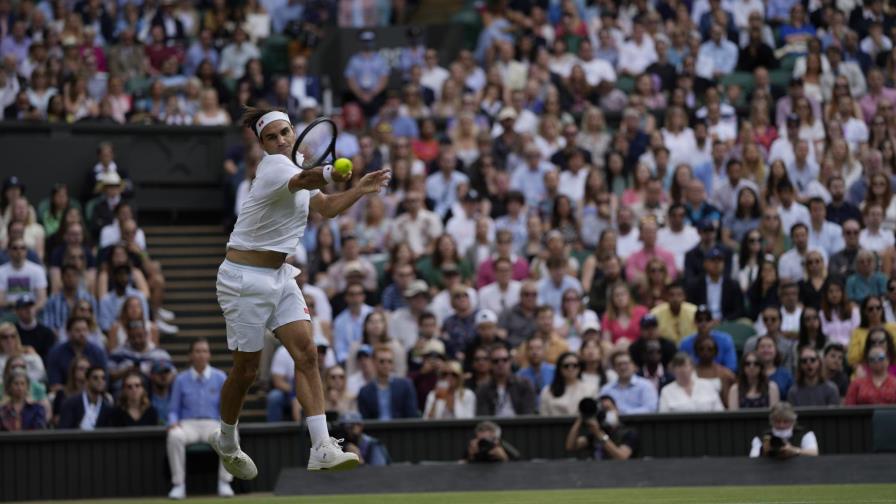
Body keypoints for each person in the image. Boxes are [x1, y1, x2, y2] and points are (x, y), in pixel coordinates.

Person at [211, 107, 390, 477]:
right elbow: (306, 181)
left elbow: (326, 207)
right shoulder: (275, 167)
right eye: (271, 137)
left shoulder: (293, 167)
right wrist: (330, 171)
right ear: (262, 144)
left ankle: (322, 446)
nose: (280, 141)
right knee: (246, 372)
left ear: (294, 133)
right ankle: (226, 439)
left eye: (285, 133)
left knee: (308, 354)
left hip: (279, 276)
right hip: (242, 279)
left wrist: (358, 189)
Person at [166, 339, 232, 499]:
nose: (201, 354)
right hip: (188, 425)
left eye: (204, 351)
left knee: (231, 434)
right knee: (174, 436)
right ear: (190, 355)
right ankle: (178, 484)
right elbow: (173, 409)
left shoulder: (220, 376)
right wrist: (172, 422)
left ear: (209, 355)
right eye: (197, 351)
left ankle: (225, 482)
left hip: (213, 424)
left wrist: (228, 423)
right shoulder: (180, 379)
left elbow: (227, 407)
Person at [565, 396, 637, 460]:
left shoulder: (628, 433)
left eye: (607, 409)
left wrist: (599, 434)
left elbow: (622, 457)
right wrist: (580, 419)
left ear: (617, 409)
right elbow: (571, 446)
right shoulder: (595, 434)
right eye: (602, 410)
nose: (604, 413)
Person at [46, 316, 107, 392]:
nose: (82, 334)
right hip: (64, 396)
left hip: (93, 393)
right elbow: (54, 384)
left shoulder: (97, 352)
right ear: (68, 332)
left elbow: (105, 380)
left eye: (85, 330)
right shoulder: (56, 353)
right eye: (77, 330)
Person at [357, 346, 419, 420]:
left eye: (390, 361)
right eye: (382, 361)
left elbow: (412, 416)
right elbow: (365, 420)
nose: (386, 365)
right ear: (373, 362)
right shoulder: (365, 391)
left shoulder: (405, 386)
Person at [475, 343, 536, 417]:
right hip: (493, 427)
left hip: (520, 427)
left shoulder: (524, 385)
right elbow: (483, 417)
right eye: (496, 361)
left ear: (510, 361)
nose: (500, 364)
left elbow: (528, 415)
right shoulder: (483, 389)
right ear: (490, 364)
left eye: (505, 360)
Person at [658, 353, 725, 413]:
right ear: (673, 370)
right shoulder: (666, 391)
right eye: (678, 366)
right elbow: (663, 416)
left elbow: (719, 411)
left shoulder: (708, 385)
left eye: (685, 366)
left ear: (692, 367)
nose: (682, 370)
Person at [679, 305, 738, 372]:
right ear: (695, 322)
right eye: (700, 320)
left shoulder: (725, 340)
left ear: (712, 322)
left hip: (719, 378)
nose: (704, 323)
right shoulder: (685, 343)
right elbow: (681, 367)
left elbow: (731, 367)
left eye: (707, 319)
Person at [749, 402, 819, 458]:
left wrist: (794, 450)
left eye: (786, 421)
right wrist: (764, 451)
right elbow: (753, 458)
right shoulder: (761, 438)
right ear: (772, 421)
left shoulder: (806, 434)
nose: (781, 425)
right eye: (777, 421)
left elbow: (814, 453)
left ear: (793, 421)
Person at [599, 350, 658, 414]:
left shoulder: (646, 385)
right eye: (619, 364)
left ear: (634, 366)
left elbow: (651, 409)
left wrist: (621, 413)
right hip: (614, 423)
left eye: (626, 363)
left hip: (641, 423)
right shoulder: (606, 389)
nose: (623, 367)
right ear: (614, 368)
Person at [540, 352, 598, 416]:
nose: (571, 368)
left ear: (580, 368)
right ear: (559, 368)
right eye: (566, 366)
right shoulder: (547, 390)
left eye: (575, 365)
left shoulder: (590, 389)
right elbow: (544, 416)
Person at [58, 365, 113, 430]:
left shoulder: (107, 407)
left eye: (103, 378)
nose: (100, 381)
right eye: (95, 378)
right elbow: (64, 430)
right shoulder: (70, 403)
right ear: (87, 381)